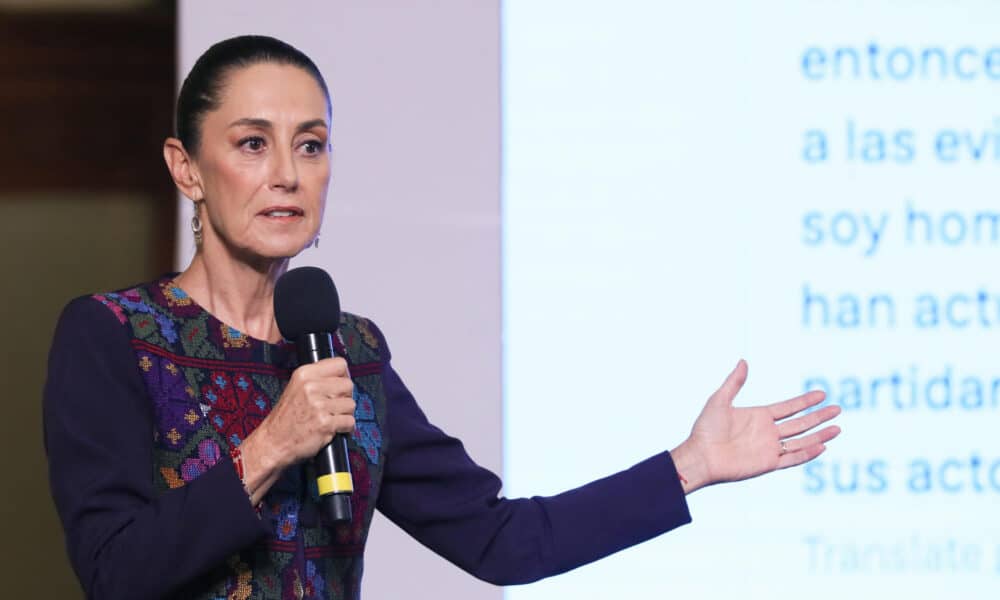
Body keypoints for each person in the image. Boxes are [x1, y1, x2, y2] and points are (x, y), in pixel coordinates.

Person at [43, 35, 841, 600]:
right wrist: (268, 449)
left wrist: (688, 465)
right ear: (187, 167)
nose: (287, 174)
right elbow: (115, 573)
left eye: (311, 146)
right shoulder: (114, 335)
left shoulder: (349, 351)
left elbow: (501, 541)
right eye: (252, 144)